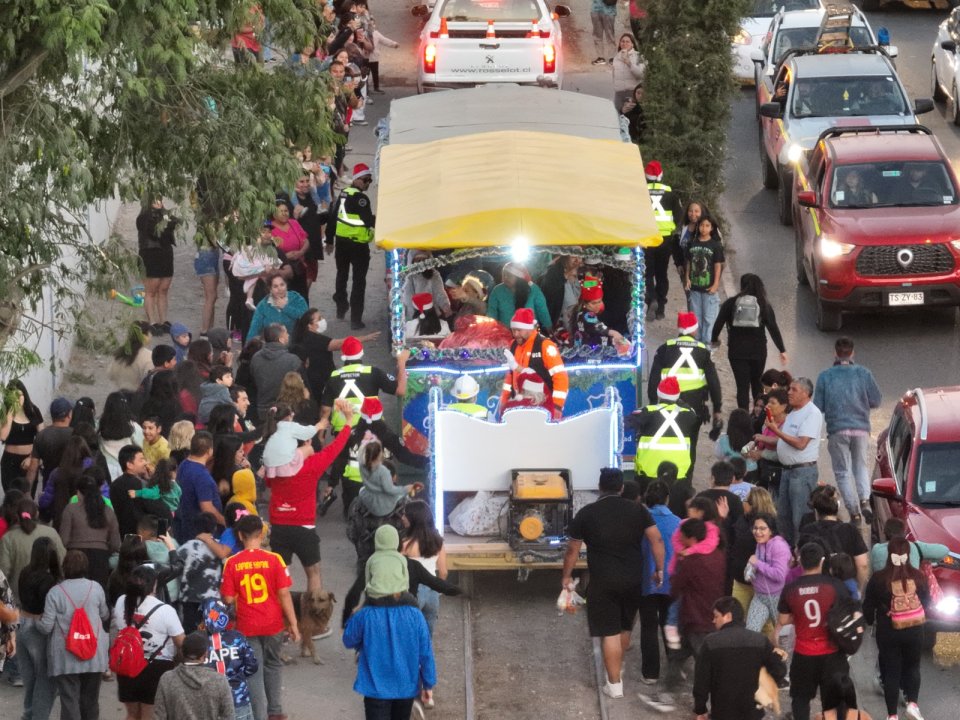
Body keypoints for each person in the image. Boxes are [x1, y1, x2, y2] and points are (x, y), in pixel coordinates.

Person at [562, 468, 665, 699]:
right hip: (633, 579)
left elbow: (572, 550)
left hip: (603, 580)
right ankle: (618, 664)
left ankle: (615, 684)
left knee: (608, 632)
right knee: (625, 625)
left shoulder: (587, 513)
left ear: (600, 487)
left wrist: (566, 576)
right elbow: (656, 539)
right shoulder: (638, 510)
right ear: (621, 488)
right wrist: (659, 569)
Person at [343, 523, 437, 720]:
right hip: (406, 687)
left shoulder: (365, 615)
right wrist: (428, 683)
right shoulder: (415, 615)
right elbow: (426, 653)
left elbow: (348, 640)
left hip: (375, 689)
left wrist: (356, 612)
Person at [640, 518, 726, 713]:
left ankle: (715, 706)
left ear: (692, 538)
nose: (679, 538)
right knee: (677, 657)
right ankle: (665, 697)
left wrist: (678, 562)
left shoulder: (690, 562)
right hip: (709, 616)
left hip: (694, 619)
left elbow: (676, 588)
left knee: (704, 665)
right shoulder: (718, 556)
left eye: (683, 536)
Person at [220, 514, 300, 720]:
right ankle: (275, 711)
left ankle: (259, 715)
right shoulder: (275, 560)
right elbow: (284, 594)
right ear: (262, 533)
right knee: (273, 664)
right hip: (274, 624)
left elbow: (228, 598)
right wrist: (293, 624)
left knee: (253, 671)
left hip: (247, 625)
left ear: (240, 535)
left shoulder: (232, 562)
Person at [777, 543, 852, 720]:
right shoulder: (835, 586)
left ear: (801, 561)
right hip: (832, 653)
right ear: (822, 561)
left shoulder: (791, 588)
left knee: (800, 699)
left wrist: (799, 615)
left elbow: (783, 620)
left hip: (804, 654)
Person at [813, 337, 882, 525]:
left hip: (837, 430)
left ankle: (854, 513)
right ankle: (865, 501)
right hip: (860, 428)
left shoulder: (825, 376)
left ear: (835, 353)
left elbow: (817, 406)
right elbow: (876, 400)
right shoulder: (863, 373)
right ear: (852, 353)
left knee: (842, 472)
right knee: (860, 466)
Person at [863, 535, 930, 720]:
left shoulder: (878, 578)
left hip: (888, 631)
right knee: (913, 666)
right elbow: (927, 602)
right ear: (908, 554)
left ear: (889, 554)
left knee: (891, 672)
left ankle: (892, 716)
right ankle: (912, 705)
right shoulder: (918, 576)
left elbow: (868, 606)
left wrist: (871, 621)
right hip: (914, 630)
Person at [38, 550, 111, 720]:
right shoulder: (96, 588)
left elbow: (46, 627)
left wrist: (35, 622)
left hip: (65, 656)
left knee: (69, 699)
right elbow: (105, 615)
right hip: (93, 653)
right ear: (86, 567)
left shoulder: (55, 592)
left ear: (65, 568)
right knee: (90, 700)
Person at [693, 596, 787, 720]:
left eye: (716, 616)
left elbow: (701, 680)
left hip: (722, 713)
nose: (713, 620)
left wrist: (700, 709)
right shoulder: (760, 640)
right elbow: (779, 669)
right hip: (752, 712)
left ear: (727, 616)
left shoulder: (711, 643)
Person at [112, 564, 185, 719]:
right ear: (154, 585)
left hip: (126, 663)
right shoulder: (165, 610)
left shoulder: (121, 602)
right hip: (156, 668)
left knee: (132, 715)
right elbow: (181, 643)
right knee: (149, 715)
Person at [711, 274, 788, 410]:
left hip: (736, 351)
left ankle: (743, 415)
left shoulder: (731, 304)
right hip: (758, 351)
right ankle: (757, 414)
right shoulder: (764, 305)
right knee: (757, 384)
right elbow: (773, 329)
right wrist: (782, 350)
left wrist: (714, 340)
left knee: (742, 386)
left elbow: (717, 325)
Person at [767, 378, 823, 545]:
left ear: (805, 394)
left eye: (794, 389)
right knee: (783, 515)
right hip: (787, 470)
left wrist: (776, 431)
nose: (789, 392)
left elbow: (800, 444)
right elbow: (785, 441)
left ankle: (801, 552)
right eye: (789, 388)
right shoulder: (793, 413)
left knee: (800, 517)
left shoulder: (812, 414)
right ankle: (787, 551)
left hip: (802, 473)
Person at [647, 312, 722, 427]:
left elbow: (654, 378)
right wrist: (717, 408)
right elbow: (713, 382)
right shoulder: (703, 351)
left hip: (668, 399)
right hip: (694, 400)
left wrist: (652, 402)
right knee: (690, 439)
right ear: (694, 330)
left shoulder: (665, 348)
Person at [320, 336, 409, 432]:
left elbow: (325, 410)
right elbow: (401, 390)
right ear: (361, 352)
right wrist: (401, 362)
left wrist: (321, 436)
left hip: (343, 431)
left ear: (343, 354)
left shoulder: (333, 376)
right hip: (371, 427)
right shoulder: (373, 372)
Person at [291, 307, 380, 402]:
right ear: (310, 325)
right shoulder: (313, 339)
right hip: (319, 380)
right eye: (319, 319)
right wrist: (365, 338)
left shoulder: (305, 336)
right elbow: (339, 344)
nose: (322, 320)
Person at [639, 480, 680, 683]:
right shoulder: (679, 523)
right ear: (667, 498)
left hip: (646, 580)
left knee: (648, 625)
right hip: (671, 582)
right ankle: (674, 668)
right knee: (669, 624)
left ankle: (650, 673)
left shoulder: (641, 521)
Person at [16, 536, 61, 720]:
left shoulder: (25, 572)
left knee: (30, 679)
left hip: (21, 624)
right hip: (38, 628)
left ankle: (28, 715)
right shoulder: (49, 580)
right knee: (45, 679)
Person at [628, 377, 702, 489]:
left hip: (648, 475)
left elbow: (626, 423)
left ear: (659, 394)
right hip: (679, 476)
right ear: (678, 395)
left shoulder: (647, 412)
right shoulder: (689, 415)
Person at [328, 163, 376, 329]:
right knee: (358, 282)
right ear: (356, 179)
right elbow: (368, 220)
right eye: (365, 180)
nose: (368, 183)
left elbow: (333, 217)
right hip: (358, 246)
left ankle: (341, 307)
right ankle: (356, 319)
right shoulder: (361, 198)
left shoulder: (343, 193)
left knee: (341, 276)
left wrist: (329, 240)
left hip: (341, 243)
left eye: (369, 180)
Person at [498, 308, 568, 421]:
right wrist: (504, 400)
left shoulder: (545, 346)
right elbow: (510, 376)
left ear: (529, 329)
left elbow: (560, 377)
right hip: (518, 404)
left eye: (519, 330)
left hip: (542, 405)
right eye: (513, 330)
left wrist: (557, 406)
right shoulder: (513, 345)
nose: (515, 334)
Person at [798, 486, 870, 591]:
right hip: (845, 588)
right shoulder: (849, 529)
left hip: (818, 589)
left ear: (816, 510)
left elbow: (801, 563)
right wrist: (859, 589)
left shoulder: (807, 531)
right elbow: (862, 564)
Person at [153, 631, 234, 720]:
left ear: (182, 652)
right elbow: (229, 716)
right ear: (205, 654)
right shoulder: (219, 680)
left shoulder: (167, 679)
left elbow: (158, 716)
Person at [59, 475, 121, 590]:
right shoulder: (108, 511)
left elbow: (64, 540)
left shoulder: (70, 509)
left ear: (79, 493)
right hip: (100, 559)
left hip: (75, 559)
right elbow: (115, 544)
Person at [201, 598, 258, 720]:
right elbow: (252, 666)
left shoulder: (197, 642)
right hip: (237, 700)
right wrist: (239, 677)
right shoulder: (238, 638)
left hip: (208, 704)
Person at [643, 161, 680, 321]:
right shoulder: (670, 193)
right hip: (664, 239)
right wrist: (672, 231)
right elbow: (679, 216)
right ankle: (661, 308)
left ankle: (651, 299)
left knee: (647, 273)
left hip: (647, 238)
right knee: (661, 273)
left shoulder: (641, 192)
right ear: (660, 175)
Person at [744, 513, 791, 638]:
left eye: (762, 528)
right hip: (759, 596)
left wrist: (757, 564)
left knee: (782, 637)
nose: (757, 532)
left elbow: (780, 575)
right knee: (751, 633)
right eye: (755, 528)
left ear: (771, 530)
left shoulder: (779, 546)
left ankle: (783, 658)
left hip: (777, 597)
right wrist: (750, 571)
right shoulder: (760, 544)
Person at [174, 431, 225, 543]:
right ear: (209, 451)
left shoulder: (183, 464)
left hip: (185, 526)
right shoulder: (201, 476)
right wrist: (225, 522)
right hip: (201, 534)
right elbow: (207, 508)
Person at [136, 198, 179, 333]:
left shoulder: (165, 213)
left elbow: (175, 221)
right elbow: (156, 233)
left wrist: (167, 224)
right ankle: (152, 322)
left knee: (164, 289)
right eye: (154, 199)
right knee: (151, 290)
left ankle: (163, 321)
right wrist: (167, 225)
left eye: (159, 198)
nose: (158, 202)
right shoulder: (143, 217)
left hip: (165, 253)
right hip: (150, 254)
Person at [684, 215, 725, 345]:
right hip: (695, 288)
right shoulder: (692, 243)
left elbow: (718, 265)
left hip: (709, 289)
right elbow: (689, 262)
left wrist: (716, 283)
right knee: (696, 317)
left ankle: (707, 344)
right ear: (698, 226)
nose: (704, 228)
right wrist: (687, 278)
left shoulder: (715, 245)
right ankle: (697, 344)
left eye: (707, 226)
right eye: (701, 225)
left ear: (712, 228)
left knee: (709, 317)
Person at [249, 323, 303, 421]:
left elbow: (253, 380)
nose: (288, 335)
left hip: (262, 409)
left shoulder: (256, 358)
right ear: (281, 339)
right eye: (286, 333)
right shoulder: (293, 360)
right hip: (285, 411)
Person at [259, 403, 326, 479]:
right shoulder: (289, 426)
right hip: (285, 467)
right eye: (292, 413)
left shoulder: (270, 427)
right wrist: (320, 425)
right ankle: (314, 476)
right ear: (288, 417)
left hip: (271, 467)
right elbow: (308, 433)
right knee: (309, 449)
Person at [24, 397, 75, 496]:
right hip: (70, 488)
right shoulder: (75, 434)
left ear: (52, 415)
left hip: (48, 487)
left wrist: (27, 493)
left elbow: (33, 468)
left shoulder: (42, 436)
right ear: (69, 415)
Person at [1, 379, 44, 493]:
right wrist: (11, 410)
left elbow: (42, 436)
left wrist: (31, 457)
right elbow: (3, 436)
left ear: (24, 394)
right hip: (10, 461)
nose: (17, 398)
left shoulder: (33, 410)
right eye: (13, 396)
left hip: (30, 459)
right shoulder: (5, 412)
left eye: (19, 395)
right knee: (12, 497)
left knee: (28, 495)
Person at [486, 262, 552, 332]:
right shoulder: (497, 291)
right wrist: (491, 330)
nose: (505, 277)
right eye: (504, 275)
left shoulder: (533, 289)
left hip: (529, 333)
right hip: (506, 334)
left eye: (509, 275)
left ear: (518, 277)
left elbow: (542, 310)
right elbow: (492, 313)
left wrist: (548, 328)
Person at [246, 272, 308, 343]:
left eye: (282, 285)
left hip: (294, 345)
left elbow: (306, 318)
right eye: (275, 286)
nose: (279, 289)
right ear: (270, 289)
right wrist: (247, 349)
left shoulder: (297, 299)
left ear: (286, 285)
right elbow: (254, 329)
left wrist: (286, 308)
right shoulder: (263, 305)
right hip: (271, 347)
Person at [870, 517, 949, 573]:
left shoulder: (876, 550)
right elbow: (944, 550)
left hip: (884, 592)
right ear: (904, 533)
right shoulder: (915, 547)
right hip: (910, 593)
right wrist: (923, 557)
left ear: (885, 533)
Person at [569, 277, 625, 347]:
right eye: (594, 303)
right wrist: (614, 333)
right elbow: (598, 326)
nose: (598, 305)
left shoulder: (579, 311)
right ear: (585, 304)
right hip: (586, 352)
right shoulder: (587, 314)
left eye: (599, 301)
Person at [401, 251, 452, 320]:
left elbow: (439, 292)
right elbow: (408, 297)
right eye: (418, 260)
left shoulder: (434, 274)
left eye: (424, 260)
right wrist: (412, 316)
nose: (422, 263)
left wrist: (445, 307)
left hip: (432, 314)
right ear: (413, 261)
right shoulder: (409, 276)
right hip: (415, 315)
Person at [108, 321, 155, 393]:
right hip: (138, 398)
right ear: (145, 336)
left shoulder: (120, 353)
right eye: (149, 333)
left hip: (121, 395)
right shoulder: (149, 356)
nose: (151, 335)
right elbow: (150, 381)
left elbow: (110, 374)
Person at [612, 33, 645, 110]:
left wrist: (628, 63)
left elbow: (641, 75)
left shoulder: (639, 56)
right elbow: (614, 77)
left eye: (627, 41)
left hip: (632, 93)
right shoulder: (616, 58)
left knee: (631, 116)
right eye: (622, 41)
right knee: (618, 117)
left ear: (632, 44)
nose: (624, 43)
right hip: (619, 94)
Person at [589, 0, 617, 65]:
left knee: (610, 35)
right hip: (596, 9)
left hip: (609, 10)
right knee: (597, 35)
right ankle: (600, 57)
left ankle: (612, 57)